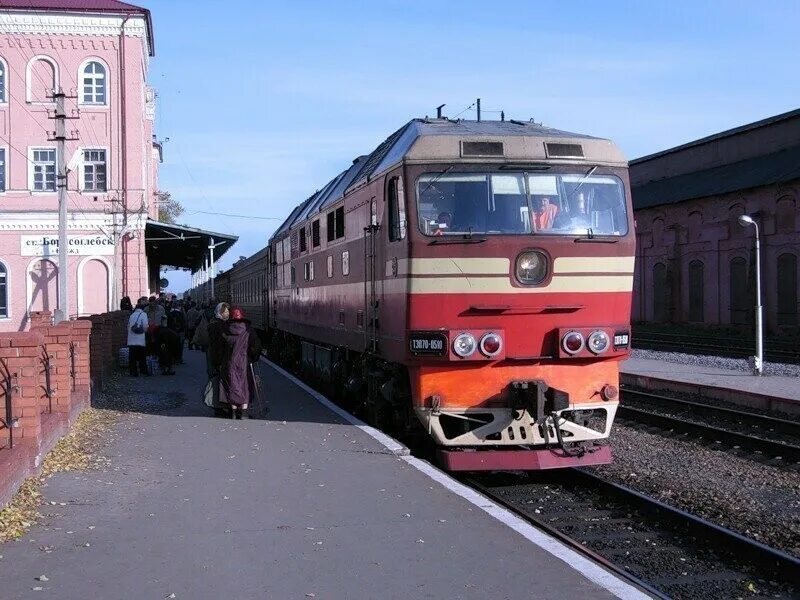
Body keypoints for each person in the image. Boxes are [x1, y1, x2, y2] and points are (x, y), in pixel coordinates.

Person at [213, 306, 263, 419]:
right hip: (244, 362)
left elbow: (219, 348)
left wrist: (218, 363)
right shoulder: (248, 329)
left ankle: (234, 412)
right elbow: (256, 346)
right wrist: (254, 357)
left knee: (231, 384)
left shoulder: (225, 330)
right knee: (245, 385)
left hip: (229, 362)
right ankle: (244, 412)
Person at [127, 298, 149, 377]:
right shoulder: (144, 314)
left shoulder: (131, 315)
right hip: (140, 340)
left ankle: (133, 372)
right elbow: (145, 326)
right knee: (142, 357)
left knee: (132, 357)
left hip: (131, 340)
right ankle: (143, 371)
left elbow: (128, 327)